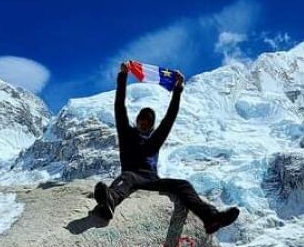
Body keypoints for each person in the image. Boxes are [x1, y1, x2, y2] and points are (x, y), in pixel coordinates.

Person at [93, 62, 240, 234]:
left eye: (147, 121)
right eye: (141, 119)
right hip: (132, 177)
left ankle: (210, 217)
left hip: (152, 180)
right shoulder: (127, 133)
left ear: (151, 125)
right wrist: (123, 76)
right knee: (127, 176)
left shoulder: (154, 140)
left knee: (183, 185)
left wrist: (177, 91)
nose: (143, 123)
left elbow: (169, 119)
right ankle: (110, 200)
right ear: (137, 120)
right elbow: (119, 106)